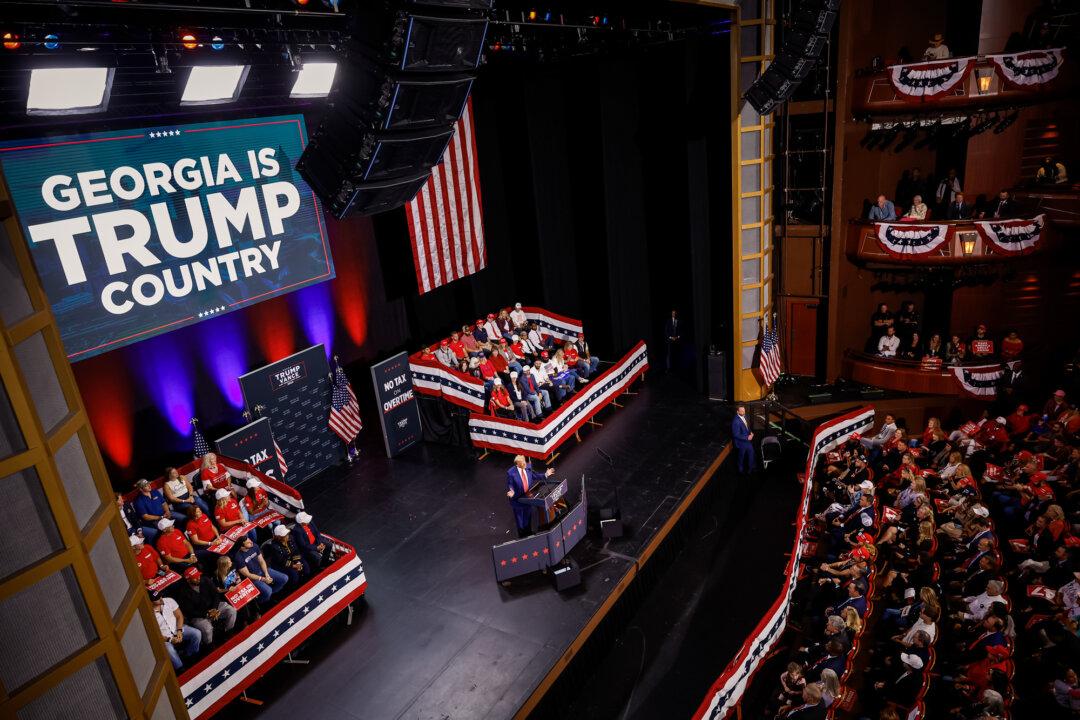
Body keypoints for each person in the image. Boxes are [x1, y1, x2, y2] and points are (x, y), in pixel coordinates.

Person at [175, 566, 236, 648]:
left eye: (198, 576)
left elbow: (215, 595)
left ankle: (228, 633)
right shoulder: (183, 592)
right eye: (195, 578)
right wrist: (206, 614)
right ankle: (210, 646)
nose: (198, 578)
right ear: (188, 580)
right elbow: (189, 612)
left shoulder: (206, 580)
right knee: (207, 630)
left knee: (231, 611)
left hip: (214, 607)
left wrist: (214, 608)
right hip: (199, 615)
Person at [506, 455, 555, 537]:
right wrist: (512, 492)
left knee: (527, 516)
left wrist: (546, 474)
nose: (525, 464)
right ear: (517, 464)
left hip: (527, 498)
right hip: (517, 499)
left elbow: (535, 476)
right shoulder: (511, 473)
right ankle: (522, 536)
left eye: (525, 462)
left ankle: (528, 533)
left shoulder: (528, 467)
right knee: (520, 521)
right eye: (522, 463)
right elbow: (510, 485)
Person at [151, 591, 201, 670]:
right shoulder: (149, 614)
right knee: (169, 650)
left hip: (177, 628)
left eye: (160, 596)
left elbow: (179, 616)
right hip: (165, 638)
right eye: (157, 599)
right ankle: (180, 668)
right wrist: (169, 639)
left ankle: (190, 655)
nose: (161, 599)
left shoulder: (169, 600)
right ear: (151, 602)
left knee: (197, 633)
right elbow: (154, 634)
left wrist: (179, 630)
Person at [233, 536, 288, 604]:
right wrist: (263, 579)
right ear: (242, 547)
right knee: (268, 591)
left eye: (249, 539)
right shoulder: (238, 557)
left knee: (284, 578)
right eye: (248, 543)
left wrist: (266, 574)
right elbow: (247, 574)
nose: (251, 542)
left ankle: (271, 596)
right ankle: (260, 602)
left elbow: (261, 561)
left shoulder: (254, 546)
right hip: (252, 579)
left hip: (262, 570)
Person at [263, 523, 310, 588]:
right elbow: (281, 560)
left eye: (287, 534)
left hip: (294, 559)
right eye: (285, 535)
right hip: (282, 564)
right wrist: (294, 565)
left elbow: (296, 550)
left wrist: (298, 562)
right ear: (279, 537)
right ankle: (294, 588)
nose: (287, 536)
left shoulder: (290, 538)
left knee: (306, 568)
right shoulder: (274, 546)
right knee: (294, 576)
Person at [133, 478, 171, 543]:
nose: (149, 486)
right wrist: (161, 517)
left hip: (164, 514)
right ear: (141, 489)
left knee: (182, 519)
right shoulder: (138, 501)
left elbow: (164, 503)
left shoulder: (155, 492)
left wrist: (167, 511)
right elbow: (146, 516)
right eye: (146, 485)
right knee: (167, 529)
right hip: (153, 521)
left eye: (148, 484)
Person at [732, 405, 755, 474]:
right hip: (741, 442)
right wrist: (747, 437)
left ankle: (751, 467)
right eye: (741, 411)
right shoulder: (736, 421)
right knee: (741, 455)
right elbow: (736, 434)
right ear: (737, 412)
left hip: (747, 440)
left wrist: (750, 432)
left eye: (744, 410)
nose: (743, 412)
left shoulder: (745, 416)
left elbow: (747, 426)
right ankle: (740, 468)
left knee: (751, 453)